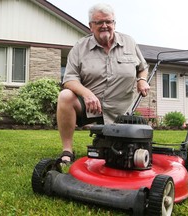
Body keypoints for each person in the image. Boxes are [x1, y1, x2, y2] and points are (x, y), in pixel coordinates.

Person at [56, 3, 150, 164]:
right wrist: (87, 94)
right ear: (90, 26)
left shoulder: (129, 42)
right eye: (99, 22)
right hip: (91, 106)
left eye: (108, 21)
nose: (104, 26)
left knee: (122, 152)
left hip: (121, 109)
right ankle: (67, 150)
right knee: (65, 96)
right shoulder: (80, 47)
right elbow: (69, 79)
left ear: (114, 23)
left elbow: (143, 68)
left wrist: (141, 80)